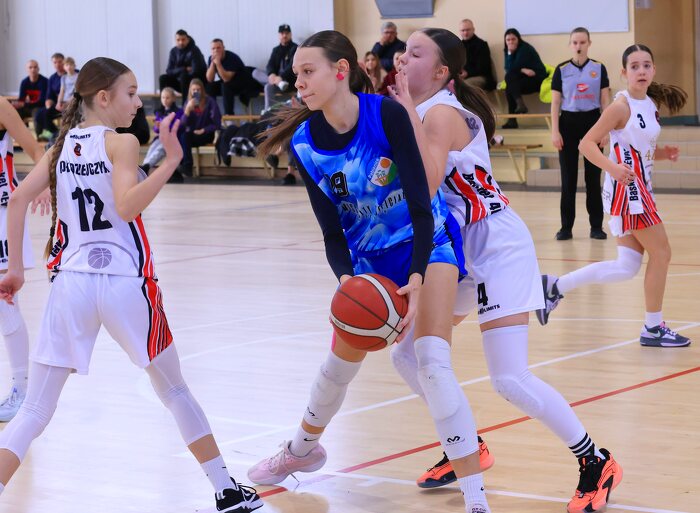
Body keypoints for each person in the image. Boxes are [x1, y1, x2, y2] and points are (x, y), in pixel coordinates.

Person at [0, 57, 262, 512]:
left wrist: (17, 272)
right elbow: (126, 207)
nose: (137, 104)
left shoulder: (61, 145)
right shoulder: (121, 143)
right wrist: (170, 162)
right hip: (124, 283)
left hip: (71, 283)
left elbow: (19, 197)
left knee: (36, 410)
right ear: (103, 98)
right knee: (174, 390)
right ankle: (225, 489)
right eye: (130, 93)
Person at [248, 30, 491, 513]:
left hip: (426, 244)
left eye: (308, 71)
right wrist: (347, 281)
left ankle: (476, 500)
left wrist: (417, 276)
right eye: (296, 74)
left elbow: (421, 201)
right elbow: (331, 233)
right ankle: (300, 451)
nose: (299, 82)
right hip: (367, 263)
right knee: (337, 368)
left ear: (341, 71)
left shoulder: (386, 114)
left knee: (432, 362)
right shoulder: (304, 144)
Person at [391, 28, 622, 513]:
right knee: (408, 354)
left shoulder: (440, 113)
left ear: (441, 72)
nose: (401, 58)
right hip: (457, 250)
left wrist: (406, 110)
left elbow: (426, 184)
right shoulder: (424, 111)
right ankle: (465, 445)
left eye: (414, 53)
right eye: (403, 50)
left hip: (496, 245)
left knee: (509, 378)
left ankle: (595, 460)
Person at [537, 44, 691, 349]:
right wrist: (614, 169)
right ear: (624, 72)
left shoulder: (649, 104)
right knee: (662, 253)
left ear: (654, 70)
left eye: (646, 65)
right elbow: (586, 144)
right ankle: (653, 327)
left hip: (638, 186)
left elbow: (638, 148)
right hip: (629, 190)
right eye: (634, 66)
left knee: (626, 266)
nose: (641, 71)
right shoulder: (621, 106)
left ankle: (554, 286)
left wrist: (663, 154)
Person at [0, 97, 47, 423]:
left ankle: (22, 390)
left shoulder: (1, 107)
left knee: (4, 302)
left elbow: (36, 150)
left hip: (3, 214)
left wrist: (42, 184)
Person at [551, 27, 611, 241]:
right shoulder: (561, 69)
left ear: (589, 43)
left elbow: (605, 101)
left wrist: (606, 130)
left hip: (593, 122)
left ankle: (596, 226)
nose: (579, 46)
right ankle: (566, 227)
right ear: (570, 44)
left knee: (593, 178)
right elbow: (555, 103)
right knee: (568, 179)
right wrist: (555, 131)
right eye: (575, 42)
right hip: (568, 123)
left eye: (582, 42)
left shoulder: (599, 68)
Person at [501, 28, 546, 128]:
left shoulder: (525, 49)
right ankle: (518, 108)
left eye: (513, 39)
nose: (511, 42)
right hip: (523, 79)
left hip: (537, 78)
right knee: (509, 86)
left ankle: (514, 116)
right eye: (508, 40)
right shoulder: (507, 50)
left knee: (510, 81)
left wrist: (519, 69)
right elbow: (508, 68)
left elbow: (513, 68)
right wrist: (521, 69)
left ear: (518, 39)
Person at [178, 78, 221, 177]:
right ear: (190, 91)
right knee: (181, 136)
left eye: (198, 89)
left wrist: (204, 130)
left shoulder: (210, 102)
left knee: (184, 138)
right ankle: (183, 167)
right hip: (192, 134)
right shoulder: (188, 102)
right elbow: (183, 124)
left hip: (207, 133)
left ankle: (187, 166)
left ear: (202, 90)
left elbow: (217, 123)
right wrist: (187, 111)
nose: (196, 92)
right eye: (194, 90)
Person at [142, 87, 183, 174]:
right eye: (163, 97)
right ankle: (144, 166)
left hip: (172, 139)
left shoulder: (178, 111)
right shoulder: (159, 112)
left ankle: (148, 165)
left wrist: (164, 125)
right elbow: (156, 130)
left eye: (167, 98)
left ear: (173, 98)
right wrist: (157, 126)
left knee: (160, 149)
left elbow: (176, 126)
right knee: (152, 148)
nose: (165, 100)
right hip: (161, 137)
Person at [205, 38, 246, 115]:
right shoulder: (211, 58)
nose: (216, 50)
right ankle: (213, 113)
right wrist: (212, 64)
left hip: (241, 83)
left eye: (218, 48)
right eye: (213, 48)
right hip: (227, 83)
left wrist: (218, 64)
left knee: (225, 86)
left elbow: (226, 79)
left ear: (223, 48)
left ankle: (229, 115)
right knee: (209, 87)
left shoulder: (232, 57)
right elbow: (209, 79)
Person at [159, 29, 206, 95]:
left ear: (188, 40)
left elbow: (196, 71)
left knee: (184, 76)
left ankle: (185, 101)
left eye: (183, 40)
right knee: (163, 78)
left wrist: (181, 72)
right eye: (178, 40)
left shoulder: (195, 50)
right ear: (175, 40)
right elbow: (169, 71)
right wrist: (184, 69)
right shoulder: (173, 51)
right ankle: (164, 101)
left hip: (193, 83)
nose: (181, 42)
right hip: (179, 81)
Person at [264, 24, 298, 110]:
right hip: (278, 83)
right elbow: (270, 65)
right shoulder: (276, 50)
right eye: (282, 33)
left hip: (289, 82)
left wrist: (281, 77)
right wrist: (271, 74)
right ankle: (270, 112)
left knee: (269, 84)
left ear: (290, 34)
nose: (284, 35)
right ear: (279, 35)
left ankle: (279, 82)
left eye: (287, 33)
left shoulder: (296, 48)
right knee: (256, 74)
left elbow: (292, 67)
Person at [12, 60, 49, 135]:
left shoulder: (44, 81)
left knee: (37, 113)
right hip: (29, 106)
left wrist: (24, 104)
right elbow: (21, 99)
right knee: (14, 112)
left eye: (35, 67)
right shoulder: (24, 82)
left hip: (40, 107)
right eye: (30, 67)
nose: (33, 69)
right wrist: (16, 104)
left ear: (38, 69)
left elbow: (42, 102)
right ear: (27, 69)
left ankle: (39, 136)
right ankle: (18, 135)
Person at [34, 53, 65, 140]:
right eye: (55, 62)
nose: (57, 64)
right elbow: (49, 96)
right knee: (39, 114)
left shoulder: (73, 73)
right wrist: (48, 104)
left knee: (46, 114)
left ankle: (56, 135)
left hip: (71, 104)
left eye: (60, 62)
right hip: (58, 105)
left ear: (64, 61)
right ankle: (55, 133)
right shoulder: (52, 78)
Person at [459, 19, 495, 90]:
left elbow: (483, 67)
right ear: (460, 32)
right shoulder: (459, 46)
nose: (465, 33)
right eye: (463, 30)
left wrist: (467, 73)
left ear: (473, 30)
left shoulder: (482, 45)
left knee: (465, 85)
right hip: (463, 76)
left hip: (481, 77)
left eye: (468, 30)